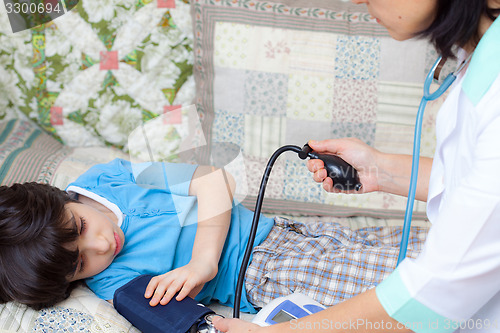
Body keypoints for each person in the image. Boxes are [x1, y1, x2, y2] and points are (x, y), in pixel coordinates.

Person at [214, 0, 500, 332]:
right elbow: (476, 186)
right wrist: (378, 168)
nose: (357, 0)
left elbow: (437, 291)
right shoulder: (480, 66)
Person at [0, 158, 426, 312]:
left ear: (61, 198)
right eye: (80, 263)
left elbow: (212, 181)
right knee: (411, 293)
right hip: (267, 273)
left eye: (81, 228)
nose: (101, 246)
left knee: (420, 247)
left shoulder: (105, 178)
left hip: (288, 230)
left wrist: (202, 263)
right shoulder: (111, 282)